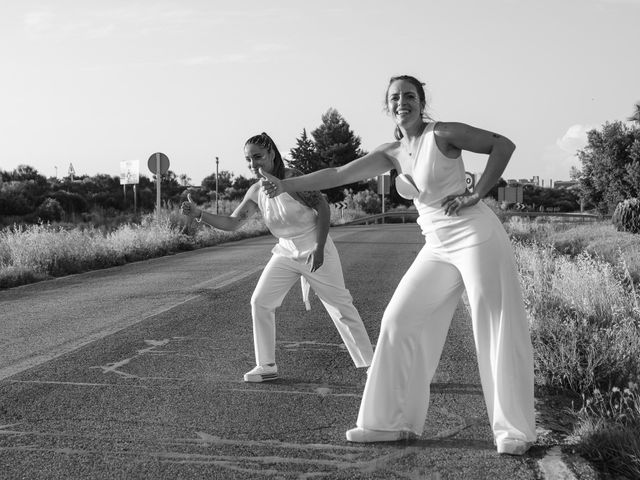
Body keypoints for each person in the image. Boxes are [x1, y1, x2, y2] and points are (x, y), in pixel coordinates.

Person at [260, 76, 536, 455]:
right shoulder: (391, 152)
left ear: (422, 103)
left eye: (409, 96)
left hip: (475, 236)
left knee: (491, 322)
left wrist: (475, 194)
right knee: (398, 319)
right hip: (436, 245)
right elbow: (339, 175)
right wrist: (286, 184)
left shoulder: (443, 134)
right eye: (395, 97)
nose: (402, 101)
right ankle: (389, 423)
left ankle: (513, 431)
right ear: (386, 106)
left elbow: (502, 145)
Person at [180, 132, 373, 383]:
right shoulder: (255, 191)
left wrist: (319, 246)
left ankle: (372, 365)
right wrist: (199, 213)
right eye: (248, 160)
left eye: (258, 157)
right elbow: (232, 223)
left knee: (340, 306)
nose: (253, 164)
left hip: (315, 246)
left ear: (272, 153)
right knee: (260, 301)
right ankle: (266, 365)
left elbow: (323, 207)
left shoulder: (293, 179)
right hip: (285, 251)